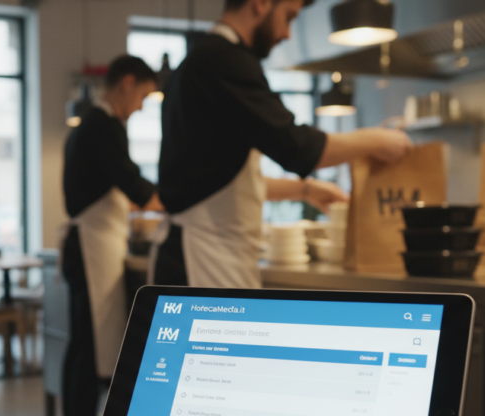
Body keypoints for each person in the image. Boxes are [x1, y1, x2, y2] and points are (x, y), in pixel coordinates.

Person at [151, 0, 413, 288]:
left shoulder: (202, 61)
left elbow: (225, 184)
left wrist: (307, 189)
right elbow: (297, 147)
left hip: (207, 254)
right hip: (200, 260)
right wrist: (376, 140)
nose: (288, 33)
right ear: (261, 4)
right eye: (289, 17)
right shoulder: (223, 59)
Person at [61, 55, 162, 416]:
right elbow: (131, 181)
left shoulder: (93, 124)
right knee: (86, 351)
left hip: (89, 246)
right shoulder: (103, 125)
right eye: (143, 95)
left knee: (83, 347)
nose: (141, 105)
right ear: (126, 83)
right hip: (90, 248)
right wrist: (172, 201)